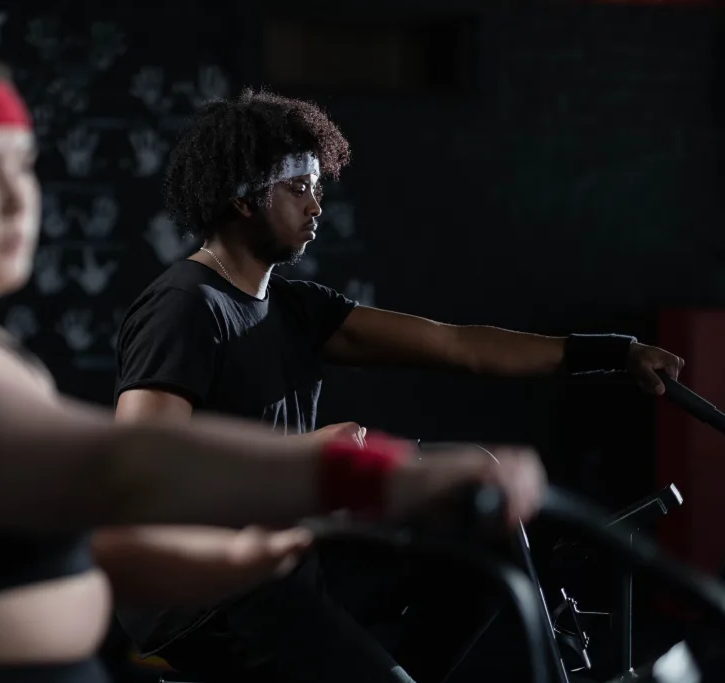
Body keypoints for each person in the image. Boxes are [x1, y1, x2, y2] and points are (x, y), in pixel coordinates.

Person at [0, 6, 550, 683]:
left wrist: (243, 560)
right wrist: (370, 474)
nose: (16, 200)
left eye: (22, 167)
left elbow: (86, 534)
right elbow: (121, 465)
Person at [107, 88, 686, 683]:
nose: (316, 207)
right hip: (208, 589)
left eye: (317, 188)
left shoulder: (293, 308)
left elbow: (457, 345)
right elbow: (144, 469)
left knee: (482, 558)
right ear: (243, 197)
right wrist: (299, 456)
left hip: (285, 559)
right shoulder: (185, 306)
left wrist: (614, 353)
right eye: (298, 188)